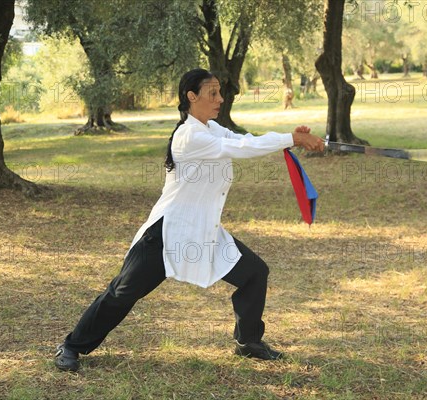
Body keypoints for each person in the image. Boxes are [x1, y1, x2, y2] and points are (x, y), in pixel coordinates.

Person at [54, 68, 325, 372]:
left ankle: (248, 341)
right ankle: (71, 345)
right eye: (213, 93)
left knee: (254, 273)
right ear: (191, 97)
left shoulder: (210, 128)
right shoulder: (190, 135)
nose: (220, 99)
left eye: (220, 92)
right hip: (166, 234)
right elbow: (239, 148)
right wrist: (293, 138)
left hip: (202, 232)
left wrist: (292, 139)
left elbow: (244, 139)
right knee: (121, 294)